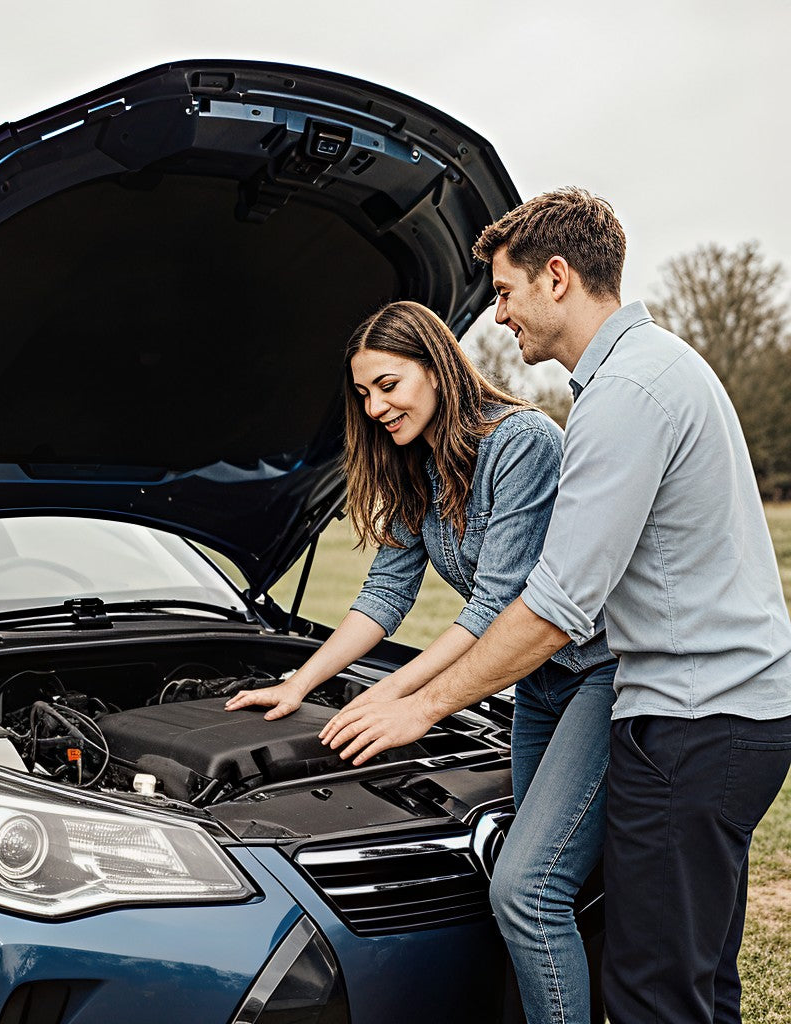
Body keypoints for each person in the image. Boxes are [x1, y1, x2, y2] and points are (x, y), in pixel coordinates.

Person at [319, 189, 791, 1024]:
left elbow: (555, 605)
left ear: (559, 278)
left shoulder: (623, 395)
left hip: (693, 720)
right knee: (699, 979)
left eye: (504, 292)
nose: (498, 316)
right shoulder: (655, 368)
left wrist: (418, 704)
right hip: (720, 712)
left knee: (653, 992)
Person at [225, 300, 617, 1024]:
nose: (374, 407)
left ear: (436, 371)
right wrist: (298, 683)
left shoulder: (520, 441)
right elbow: (382, 594)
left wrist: (404, 702)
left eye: (389, 385)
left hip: (600, 677)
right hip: (532, 687)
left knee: (529, 887)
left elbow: (498, 604)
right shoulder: (415, 466)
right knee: (524, 880)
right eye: (364, 393)